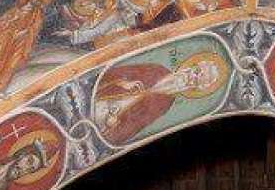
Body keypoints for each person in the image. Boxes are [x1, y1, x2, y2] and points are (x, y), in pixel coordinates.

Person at [92, 51, 228, 145]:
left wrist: (113, 124)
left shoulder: (164, 105)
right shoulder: (157, 70)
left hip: (103, 121)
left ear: (196, 88)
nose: (192, 77)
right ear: (191, 66)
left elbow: (134, 126)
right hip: (99, 96)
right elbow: (110, 74)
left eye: (197, 81)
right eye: (197, 71)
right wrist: (122, 82)